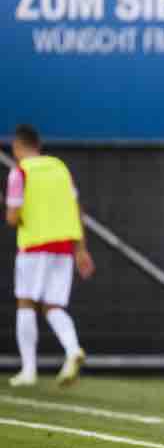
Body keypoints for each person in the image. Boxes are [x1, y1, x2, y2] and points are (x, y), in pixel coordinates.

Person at [5, 124, 93, 387]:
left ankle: (29, 370)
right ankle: (73, 348)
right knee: (54, 306)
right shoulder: (60, 168)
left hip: (33, 246)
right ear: (39, 145)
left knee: (26, 302)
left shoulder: (19, 172)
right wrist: (81, 249)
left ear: (18, 147)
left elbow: (12, 217)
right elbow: (77, 209)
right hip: (64, 247)